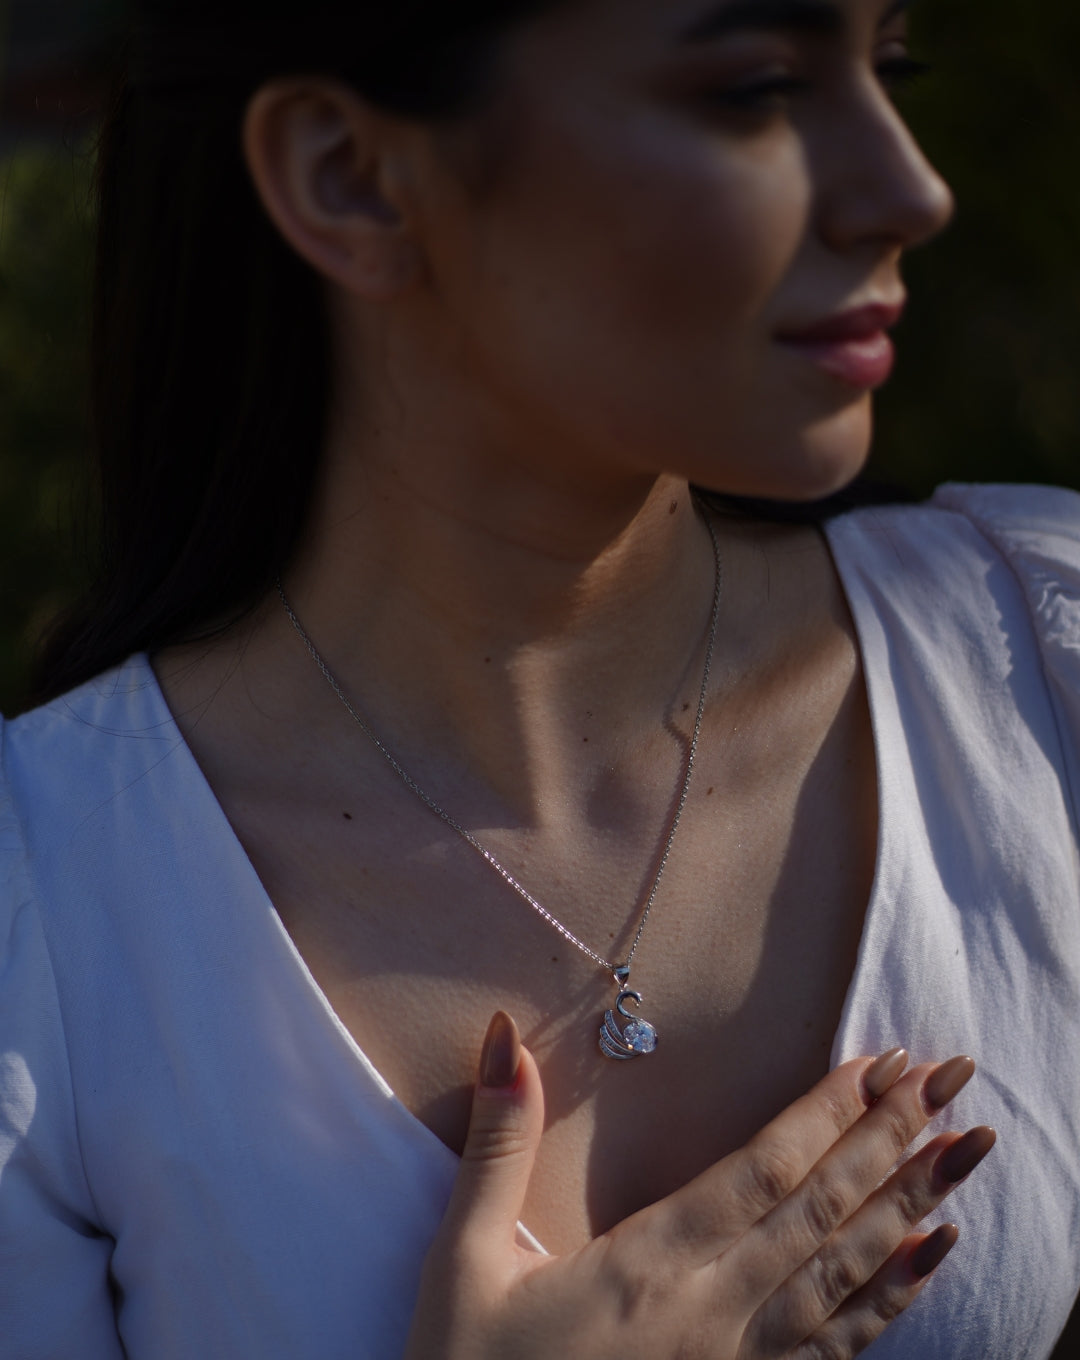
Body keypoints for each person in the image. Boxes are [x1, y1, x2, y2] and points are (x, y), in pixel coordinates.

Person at [1, 0, 1078, 1356]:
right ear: (351, 173)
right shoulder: (39, 910)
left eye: (891, 65)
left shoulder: (1041, 666)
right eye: (756, 86)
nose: (912, 188)